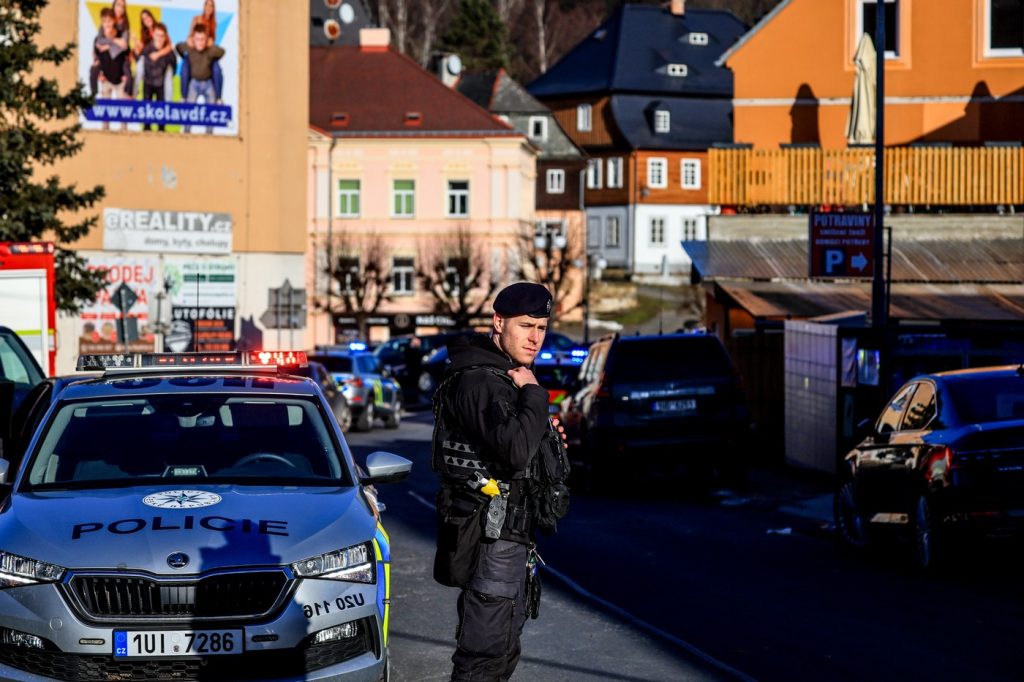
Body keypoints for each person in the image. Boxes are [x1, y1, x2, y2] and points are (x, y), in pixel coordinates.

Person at [431, 282, 569, 682]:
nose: (535, 338)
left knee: (502, 648)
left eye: (541, 327)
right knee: (484, 654)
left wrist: (543, 428)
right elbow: (514, 451)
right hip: (492, 536)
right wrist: (535, 397)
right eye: (526, 325)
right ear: (498, 322)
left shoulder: (504, 375)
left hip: (509, 534)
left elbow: (522, 448)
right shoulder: (481, 381)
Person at [175, 23, 225, 133]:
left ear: (206, 39)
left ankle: (209, 134)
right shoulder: (190, 48)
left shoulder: (209, 50)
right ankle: (186, 133)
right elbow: (178, 48)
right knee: (188, 111)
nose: (200, 42)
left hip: (208, 83)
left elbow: (222, 52)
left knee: (211, 112)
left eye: (203, 39)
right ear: (193, 39)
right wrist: (188, 42)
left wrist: (210, 45)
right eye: (197, 39)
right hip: (194, 83)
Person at [137, 22, 176, 131]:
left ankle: (161, 129)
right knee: (146, 109)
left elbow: (174, 65)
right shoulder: (147, 49)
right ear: (153, 35)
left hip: (161, 84)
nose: (159, 38)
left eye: (162, 36)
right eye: (157, 35)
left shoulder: (169, 52)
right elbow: (139, 61)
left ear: (165, 37)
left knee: (162, 111)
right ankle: (146, 128)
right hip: (148, 83)